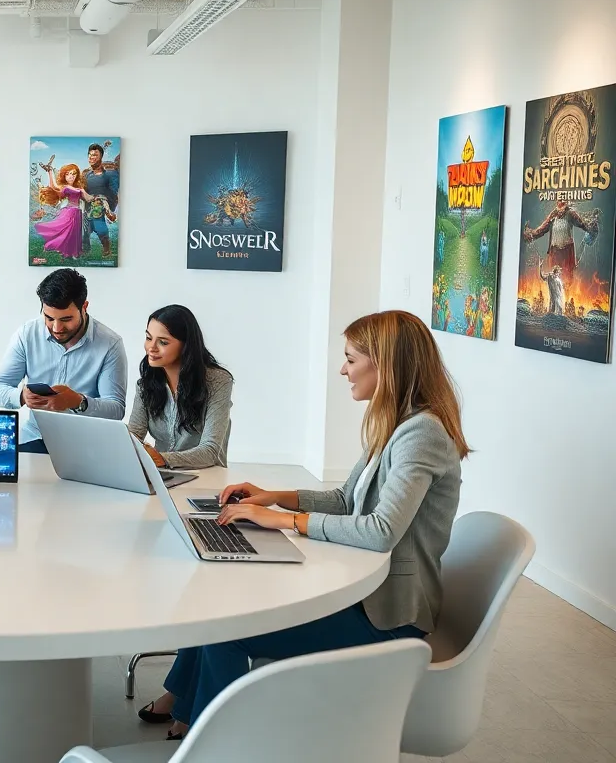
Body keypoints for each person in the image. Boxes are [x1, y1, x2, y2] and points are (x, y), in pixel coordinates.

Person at [138, 310, 469, 740]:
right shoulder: (396, 423)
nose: (342, 369)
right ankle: (185, 706)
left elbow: (381, 529)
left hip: (390, 616)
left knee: (228, 629)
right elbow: (347, 499)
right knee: (220, 602)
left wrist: (283, 520)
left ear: (384, 364)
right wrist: (273, 496)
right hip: (370, 596)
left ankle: (214, 741)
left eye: (351, 358)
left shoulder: (420, 433)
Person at [0, 269, 128, 453]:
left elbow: (116, 410)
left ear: (84, 307)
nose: (56, 328)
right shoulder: (27, 334)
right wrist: (21, 397)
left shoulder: (110, 344)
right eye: (49, 318)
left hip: (87, 446)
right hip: (35, 438)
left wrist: (79, 402)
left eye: (66, 319)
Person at [130, 305, 233, 470]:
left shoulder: (218, 381)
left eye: (163, 342)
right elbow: (134, 436)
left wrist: (162, 458)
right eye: (149, 338)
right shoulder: (145, 384)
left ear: (186, 346)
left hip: (207, 476)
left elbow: (210, 450)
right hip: (162, 475)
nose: (151, 347)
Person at [34, 164, 98, 260]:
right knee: (66, 232)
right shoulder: (64, 187)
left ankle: (74, 253)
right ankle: (58, 248)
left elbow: (88, 199)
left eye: (73, 174)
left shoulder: (79, 188)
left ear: (76, 175)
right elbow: (53, 186)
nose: (71, 176)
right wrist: (50, 171)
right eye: (68, 174)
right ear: (64, 176)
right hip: (69, 212)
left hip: (78, 213)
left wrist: (96, 197)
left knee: (75, 234)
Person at [82, 141, 120, 259]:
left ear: (101, 157)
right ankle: (85, 249)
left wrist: (108, 207)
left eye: (95, 155)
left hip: (100, 205)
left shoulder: (110, 174)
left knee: (99, 225)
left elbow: (114, 191)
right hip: (86, 205)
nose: (91, 157)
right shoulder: (86, 174)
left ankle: (106, 246)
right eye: (90, 155)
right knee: (85, 229)